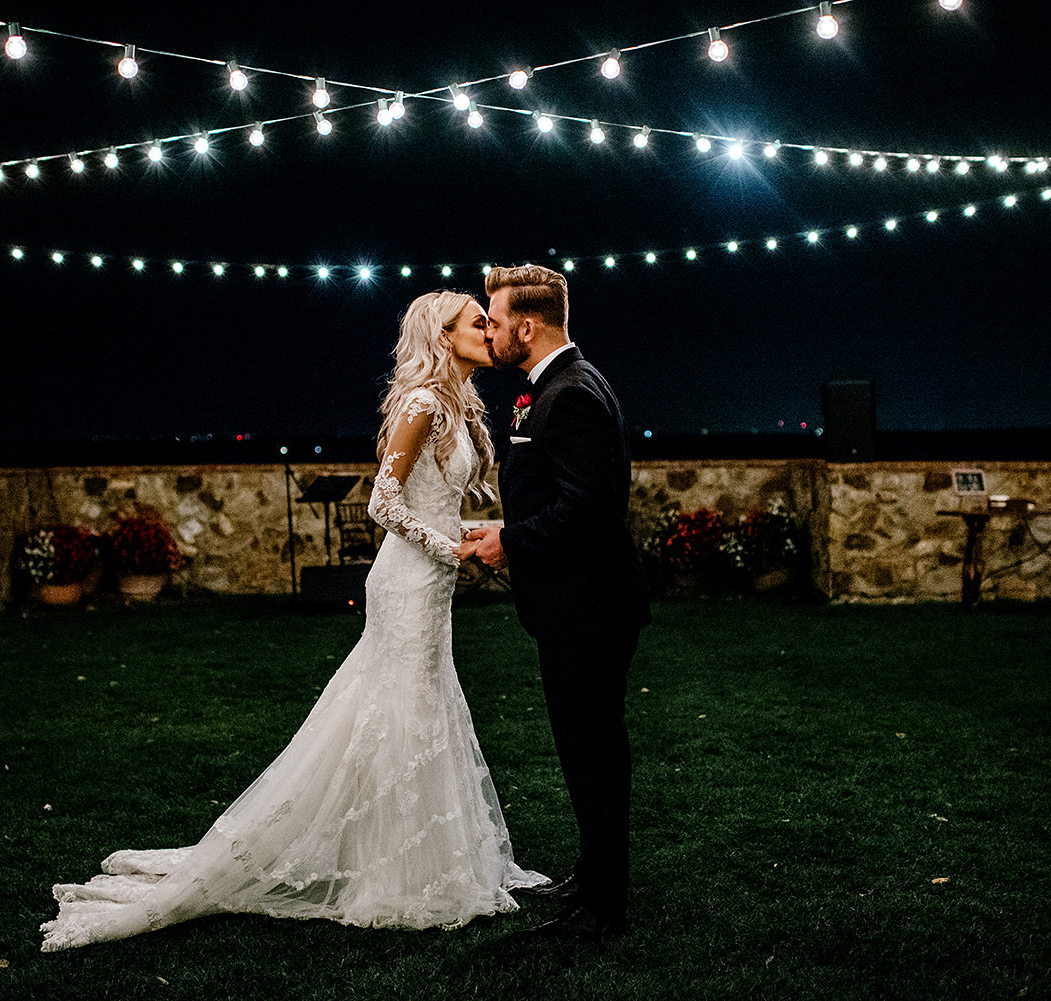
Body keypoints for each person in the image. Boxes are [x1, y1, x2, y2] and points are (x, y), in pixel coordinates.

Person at [39, 291, 546, 951]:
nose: (490, 328)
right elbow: (383, 505)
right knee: (401, 711)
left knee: (423, 707)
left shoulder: (456, 408)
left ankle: (432, 859)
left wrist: (468, 533)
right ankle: (397, 876)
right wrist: (450, 547)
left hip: (435, 581)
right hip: (407, 580)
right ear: (442, 334)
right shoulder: (422, 404)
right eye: (477, 321)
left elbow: (433, 498)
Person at [467, 264, 650, 942]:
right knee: (587, 749)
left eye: (493, 317)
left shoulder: (569, 393)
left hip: (588, 607)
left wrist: (510, 542)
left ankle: (602, 907)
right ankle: (594, 871)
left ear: (527, 324)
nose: (488, 329)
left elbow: (588, 505)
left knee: (593, 750)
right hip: (581, 604)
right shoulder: (562, 384)